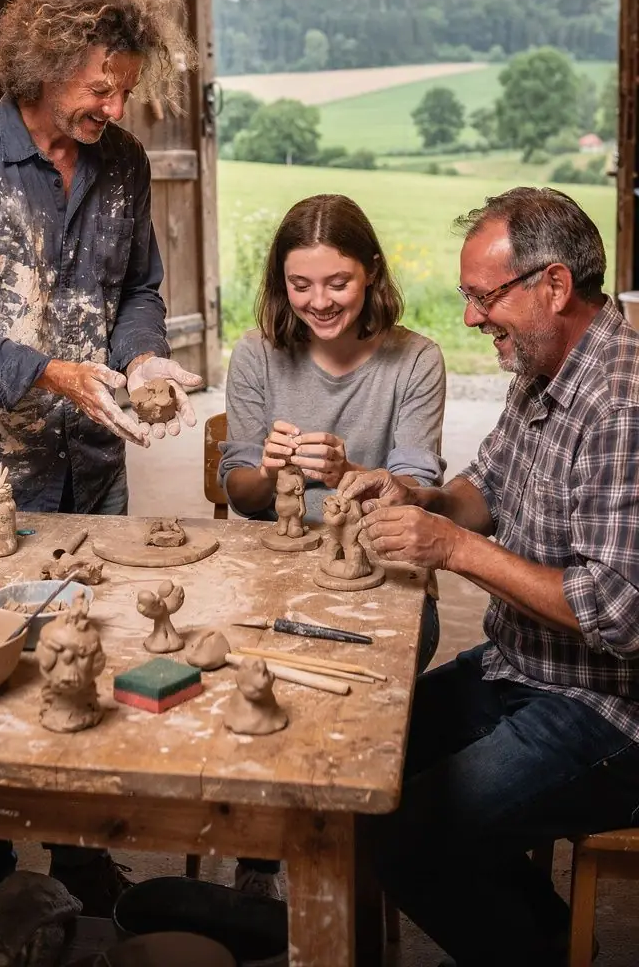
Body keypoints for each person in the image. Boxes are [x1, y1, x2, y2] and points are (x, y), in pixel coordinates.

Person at [0, 0, 202, 912]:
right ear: (39, 63)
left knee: (84, 650)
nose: (114, 104)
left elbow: (138, 289)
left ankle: (78, 856)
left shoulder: (122, 164)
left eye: (125, 86)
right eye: (97, 85)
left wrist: (143, 358)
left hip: (90, 457)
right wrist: (51, 372)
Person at [348, 187, 639, 967]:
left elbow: (615, 612)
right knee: (362, 772)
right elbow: (491, 486)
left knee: (411, 840)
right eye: (468, 297)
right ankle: (541, 932)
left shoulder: (623, 400)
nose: (473, 318)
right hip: (522, 667)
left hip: (608, 708)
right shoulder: (544, 363)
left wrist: (450, 547)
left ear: (553, 286)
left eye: (484, 297)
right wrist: (420, 497)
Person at [220, 193, 446, 898]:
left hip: (379, 580)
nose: (319, 301)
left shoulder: (416, 360)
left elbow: (416, 491)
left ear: (372, 274)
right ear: (280, 284)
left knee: (344, 705)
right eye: (300, 284)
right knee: (258, 678)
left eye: (338, 282)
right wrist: (270, 469)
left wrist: (351, 475)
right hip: (278, 574)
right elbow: (240, 493)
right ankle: (259, 863)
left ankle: (344, 859)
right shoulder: (258, 353)